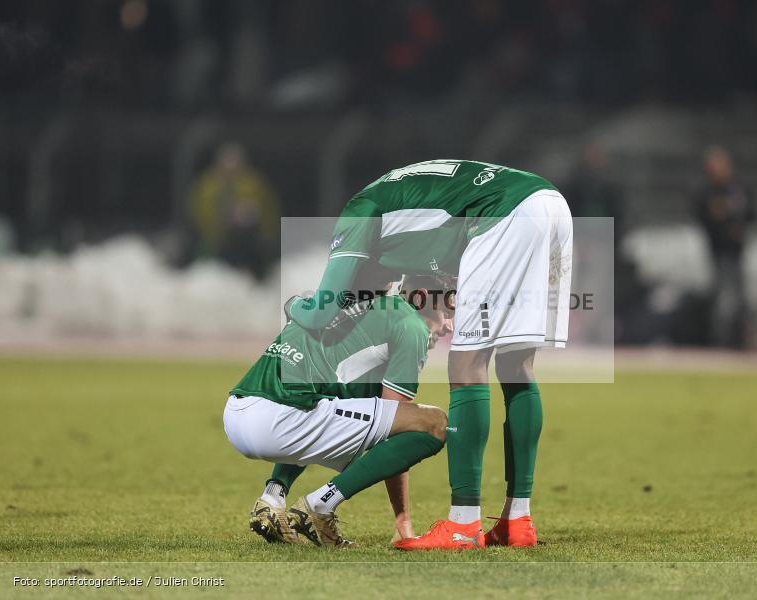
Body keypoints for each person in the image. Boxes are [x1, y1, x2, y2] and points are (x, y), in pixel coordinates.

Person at [286, 160, 573, 549]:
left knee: (466, 364)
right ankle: (517, 520)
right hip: (550, 203)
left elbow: (322, 309)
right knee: (516, 364)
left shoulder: (359, 213)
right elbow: (439, 277)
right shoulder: (413, 234)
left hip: (506, 212)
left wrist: (291, 306)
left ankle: (463, 524)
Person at [224, 273, 453, 547]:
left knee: (325, 406)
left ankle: (273, 498)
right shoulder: (410, 325)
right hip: (277, 420)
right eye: (449, 309)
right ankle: (320, 506)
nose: (450, 325)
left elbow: (294, 307)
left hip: (239, 410)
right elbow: (397, 427)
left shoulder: (357, 305)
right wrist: (402, 517)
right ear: (424, 297)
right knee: (433, 423)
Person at [693, 146, 756, 349]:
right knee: (722, 301)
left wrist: (740, 228)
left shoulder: (739, 189)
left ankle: (739, 342)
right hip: (718, 252)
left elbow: (753, 212)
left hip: (739, 251)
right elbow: (702, 216)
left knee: (740, 299)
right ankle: (719, 343)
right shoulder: (707, 191)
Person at [189, 142, 280, 279]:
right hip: (215, 236)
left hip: (249, 236)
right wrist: (218, 222)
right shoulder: (208, 185)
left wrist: (264, 228)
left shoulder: (253, 183)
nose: (231, 167)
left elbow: (268, 208)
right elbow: (199, 209)